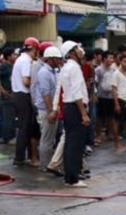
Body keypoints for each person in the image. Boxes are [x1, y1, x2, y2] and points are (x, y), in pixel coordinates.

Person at [55, 41, 90, 187]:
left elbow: (59, 89)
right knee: (75, 144)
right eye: (77, 48)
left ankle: (70, 176)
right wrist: (83, 114)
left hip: (69, 107)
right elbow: (76, 93)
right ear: (71, 53)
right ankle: (73, 178)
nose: (80, 50)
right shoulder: (74, 68)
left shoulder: (66, 68)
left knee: (70, 143)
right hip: (75, 107)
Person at [33, 46, 61, 168]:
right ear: (50, 59)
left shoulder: (53, 71)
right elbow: (46, 94)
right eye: (57, 59)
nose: (59, 61)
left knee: (50, 139)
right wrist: (52, 111)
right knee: (47, 140)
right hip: (46, 109)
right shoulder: (44, 72)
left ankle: (48, 164)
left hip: (50, 109)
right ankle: (45, 165)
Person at [11, 37, 38, 166]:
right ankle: (19, 157)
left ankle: (22, 156)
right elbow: (26, 81)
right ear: (33, 49)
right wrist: (36, 83)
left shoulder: (20, 59)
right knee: (24, 127)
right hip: (22, 96)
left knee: (24, 126)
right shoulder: (26, 61)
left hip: (17, 95)